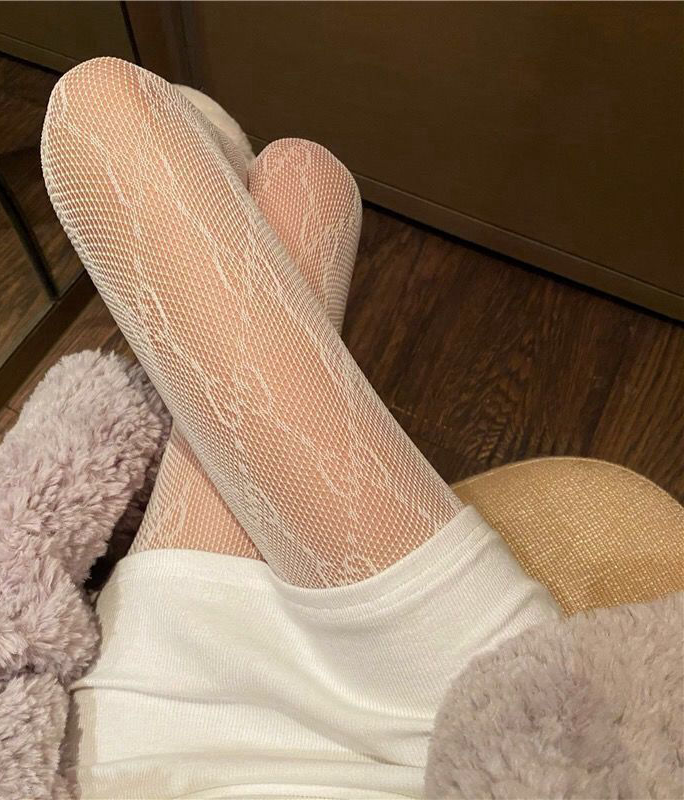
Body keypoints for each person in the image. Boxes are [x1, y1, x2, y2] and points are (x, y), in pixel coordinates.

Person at [41, 57, 560, 799]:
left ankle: (215, 179)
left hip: (156, 742)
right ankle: (217, 177)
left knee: (114, 112)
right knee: (306, 177)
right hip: (495, 737)